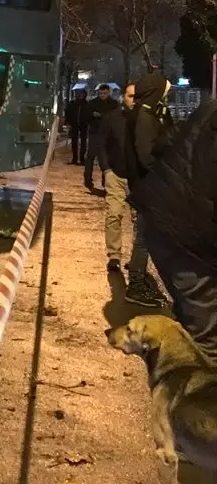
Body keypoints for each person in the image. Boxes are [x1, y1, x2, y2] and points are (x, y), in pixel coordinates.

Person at [130, 100, 217, 360]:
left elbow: (164, 143)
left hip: (162, 216)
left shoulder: (208, 109)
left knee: (193, 319)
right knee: (208, 340)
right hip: (187, 237)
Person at [96, 82, 165, 307]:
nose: (132, 100)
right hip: (116, 175)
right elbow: (102, 145)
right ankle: (114, 256)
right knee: (114, 214)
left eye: (136, 96)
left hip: (137, 179)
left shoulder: (143, 120)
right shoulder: (112, 118)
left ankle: (135, 263)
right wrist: (105, 169)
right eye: (129, 96)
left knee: (139, 224)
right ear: (122, 96)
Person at [84, 83, 119, 190]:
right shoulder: (93, 103)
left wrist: (101, 116)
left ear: (109, 93)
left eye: (105, 93)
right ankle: (88, 180)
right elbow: (87, 117)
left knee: (106, 159)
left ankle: (105, 182)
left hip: (108, 134)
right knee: (91, 157)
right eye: (101, 93)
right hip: (95, 133)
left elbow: (116, 118)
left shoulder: (114, 104)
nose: (103, 95)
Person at [65, 87, 89, 165]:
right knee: (74, 142)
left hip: (84, 125)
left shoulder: (87, 104)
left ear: (84, 95)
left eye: (81, 94)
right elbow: (67, 113)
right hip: (74, 125)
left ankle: (82, 159)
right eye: (78, 94)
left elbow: (90, 114)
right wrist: (67, 122)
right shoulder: (72, 103)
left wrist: (88, 122)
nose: (79, 95)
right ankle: (74, 158)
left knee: (83, 142)